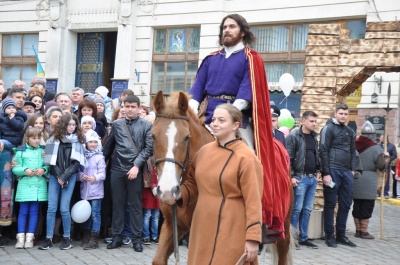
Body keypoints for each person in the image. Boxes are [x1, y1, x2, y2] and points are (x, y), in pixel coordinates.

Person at [188, 13, 289, 242]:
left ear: (242, 31)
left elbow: (246, 93)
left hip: (236, 118)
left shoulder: (250, 58)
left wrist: (226, 119)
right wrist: (192, 112)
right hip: (207, 116)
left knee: (252, 157)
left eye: (232, 27)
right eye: (224, 27)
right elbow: (196, 91)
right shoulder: (210, 59)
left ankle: (257, 219)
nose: (226, 30)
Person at [164, 104, 263, 264]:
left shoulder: (247, 158)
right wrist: (179, 194)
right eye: (214, 119)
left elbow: (254, 201)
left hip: (232, 226)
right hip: (202, 224)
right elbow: (193, 184)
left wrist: (253, 238)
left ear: (235, 125)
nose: (215, 123)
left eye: (222, 120)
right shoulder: (203, 152)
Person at [103, 95, 153, 252]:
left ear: (139, 108)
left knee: (135, 206)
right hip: (117, 169)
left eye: (133, 106)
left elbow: (148, 149)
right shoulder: (116, 124)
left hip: (135, 170)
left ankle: (136, 239)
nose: (129, 109)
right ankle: (117, 237)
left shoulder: (146, 125)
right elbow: (108, 147)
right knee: (117, 205)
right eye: (127, 106)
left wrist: (136, 166)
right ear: (122, 107)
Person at [39, 114, 87, 250]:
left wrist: (64, 177)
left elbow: (77, 162)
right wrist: (59, 176)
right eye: (68, 124)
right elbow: (50, 161)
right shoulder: (52, 139)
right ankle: (48, 238)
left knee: (64, 208)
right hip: (55, 176)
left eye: (73, 125)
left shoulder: (78, 140)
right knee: (51, 208)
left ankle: (67, 237)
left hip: (69, 177)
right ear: (63, 125)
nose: (71, 127)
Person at [320, 103, 357, 248]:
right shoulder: (328, 129)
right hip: (332, 171)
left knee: (346, 203)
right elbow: (323, 150)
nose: (343, 116)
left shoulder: (350, 131)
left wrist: (352, 170)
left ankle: (341, 235)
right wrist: (326, 173)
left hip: (346, 172)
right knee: (330, 203)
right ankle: (330, 235)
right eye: (341, 113)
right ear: (335, 114)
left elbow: (353, 151)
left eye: (346, 114)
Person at [286, 111, 320, 249]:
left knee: (307, 209)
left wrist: (318, 170)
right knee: (297, 209)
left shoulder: (313, 137)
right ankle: (292, 239)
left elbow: (316, 155)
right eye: (311, 121)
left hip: (312, 178)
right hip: (300, 178)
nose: (314, 124)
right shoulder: (294, 136)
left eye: (315, 121)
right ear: (303, 121)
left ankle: (303, 237)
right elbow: (288, 159)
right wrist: (292, 176)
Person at [12, 127, 49, 249]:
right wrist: (24, 170)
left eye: (39, 138)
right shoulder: (20, 151)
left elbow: (48, 165)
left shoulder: (43, 151)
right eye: (34, 138)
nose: (37, 140)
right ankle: (20, 237)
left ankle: (30, 237)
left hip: (38, 185)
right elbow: (15, 167)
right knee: (23, 212)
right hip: (24, 185)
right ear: (27, 139)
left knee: (34, 212)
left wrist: (43, 169)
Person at [353, 121, 386, 239]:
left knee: (357, 204)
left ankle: (357, 230)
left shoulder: (354, 145)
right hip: (369, 180)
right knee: (367, 205)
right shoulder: (376, 148)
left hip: (356, 177)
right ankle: (364, 231)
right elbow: (381, 166)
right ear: (372, 134)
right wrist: (386, 158)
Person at [78, 129, 106, 250]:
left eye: (95, 142)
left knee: (95, 214)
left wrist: (95, 177)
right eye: (90, 142)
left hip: (96, 191)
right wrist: (81, 176)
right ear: (86, 143)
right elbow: (78, 171)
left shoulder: (100, 157)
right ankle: (86, 235)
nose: (93, 144)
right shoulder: (82, 156)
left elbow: (102, 174)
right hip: (85, 191)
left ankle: (94, 237)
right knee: (86, 214)